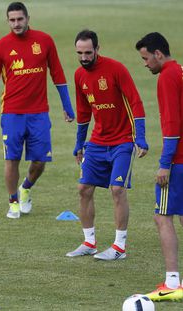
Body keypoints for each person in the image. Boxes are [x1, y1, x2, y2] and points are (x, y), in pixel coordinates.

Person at [0, 2, 75, 219]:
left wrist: (67, 106)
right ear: (7, 21)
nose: (16, 24)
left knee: (39, 161)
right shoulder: (1, 47)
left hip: (39, 113)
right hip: (11, 113)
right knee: (12, 159)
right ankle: (13, 202)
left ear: (28, 18)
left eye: (20, 19)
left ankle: (25, 188)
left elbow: (57, 74)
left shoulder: (45, 41)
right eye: (12, 20)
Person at [66, 30, 148, 260]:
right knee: (83, 189)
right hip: (97, 142)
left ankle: (119, 247)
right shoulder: (79, 75)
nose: (84, 57)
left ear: (97, 49)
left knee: (117, 189)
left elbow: (136, 102)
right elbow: (83, 113)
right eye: (79, 53)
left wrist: (139, 137)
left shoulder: (116, 69)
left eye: (88, 53)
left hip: (122, 141)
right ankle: (89, 242)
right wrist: (79, 143)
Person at [136, 32, 183, 301]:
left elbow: (173, 126)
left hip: (178, 160)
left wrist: (165, 164)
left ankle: (172, 282)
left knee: (162, 216)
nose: (145, 64)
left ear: (158, 54)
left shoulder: (167, 76)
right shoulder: (180, 70)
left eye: (146, 58)